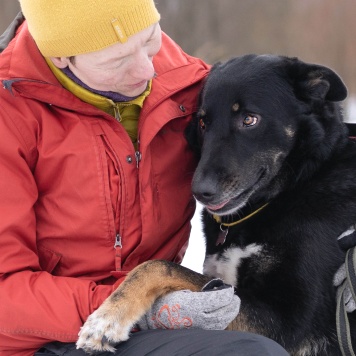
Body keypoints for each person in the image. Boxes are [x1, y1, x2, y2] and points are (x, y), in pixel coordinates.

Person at [0, 1, 291, 355]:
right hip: (40, 338)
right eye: (117, 61)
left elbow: (297, 136)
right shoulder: (9, 112)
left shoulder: (184, 84)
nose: (146, 70)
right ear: (61, 57)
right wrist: (143, 306)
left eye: (150, 39)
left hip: (146, 321)